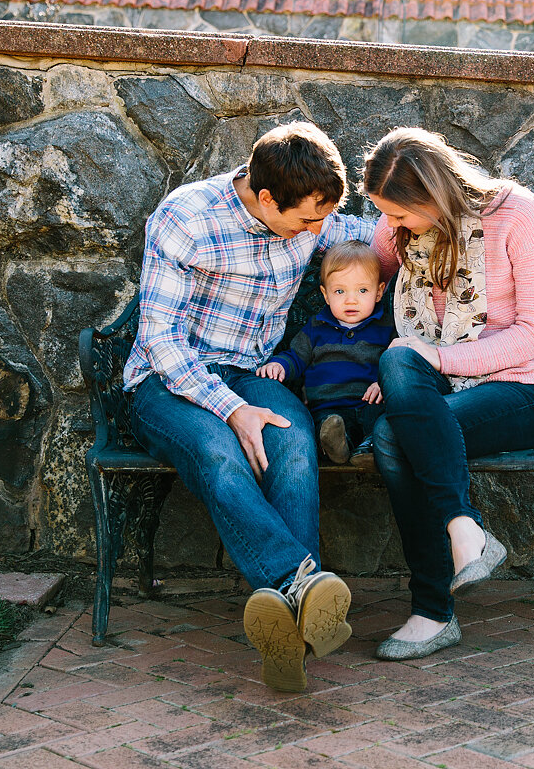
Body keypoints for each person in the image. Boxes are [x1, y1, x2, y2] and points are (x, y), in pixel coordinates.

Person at [122, 122, 374, 692]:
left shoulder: (309, 207)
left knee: (294, 444)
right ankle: (301, 585)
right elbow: (161, 340)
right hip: (169, 382)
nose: (317, 231)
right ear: (265, 199)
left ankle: (287, 636)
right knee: (221, 455)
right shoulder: (187, 219)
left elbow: (369, 229)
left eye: (322, 218)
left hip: (254, 371)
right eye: (308, 221)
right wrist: (230, 409)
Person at [362, 127, 534, 660]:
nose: (391, 227)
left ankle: (432, 609)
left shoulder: (516, 213)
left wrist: (441, 357)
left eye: (400, 215)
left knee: (393, 435)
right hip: (431, 390)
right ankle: (464, 529)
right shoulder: (398, 230)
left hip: (515, 390)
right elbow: (364, 272)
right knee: (400, 355)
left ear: (431, 196)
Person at [257, 240, 393, 465]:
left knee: (381, 419)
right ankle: (337, 447)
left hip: (370, 403)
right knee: (328, 425)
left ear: (379, 292)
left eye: (362, 290)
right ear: (326, 294)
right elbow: (296, 356)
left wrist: (384, 382)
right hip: (329, 405)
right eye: (339, 291)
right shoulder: (316, 328)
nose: (351, 299)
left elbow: (395, 362)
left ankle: (369, 447)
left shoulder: (386, 328)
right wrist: (279, 365)